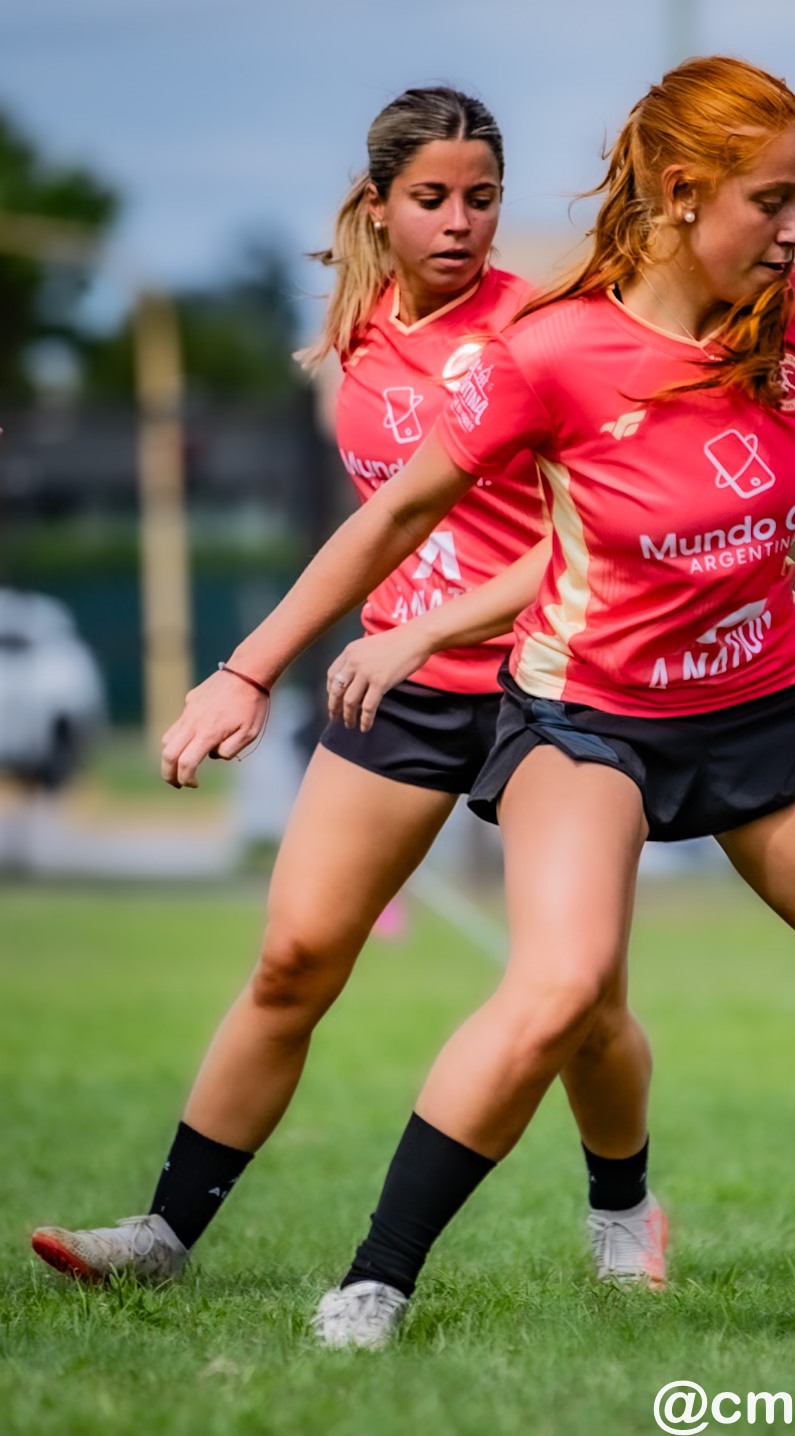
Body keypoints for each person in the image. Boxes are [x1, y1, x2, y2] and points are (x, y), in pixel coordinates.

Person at [154, 56, 795, 1348]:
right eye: (771, 202)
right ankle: (374, 1284)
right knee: (559, 988)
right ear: (682, 194)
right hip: (587, 721)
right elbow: (395, 516)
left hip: (767, 713)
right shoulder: (552, 350)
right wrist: (245, 667)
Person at [28, 87, 666, 1296]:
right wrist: (245, 671)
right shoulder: (362, 330)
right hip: (401, 689)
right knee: (293, 959)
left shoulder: (540, 330)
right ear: (379, 202)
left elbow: (583, 540)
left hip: (549, 687)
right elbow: (377, 532)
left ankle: (623, 1207)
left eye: (481, 197)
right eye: (431, 198)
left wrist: (422, 627)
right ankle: (162, 1235)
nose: (461, 221)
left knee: (581, 999)